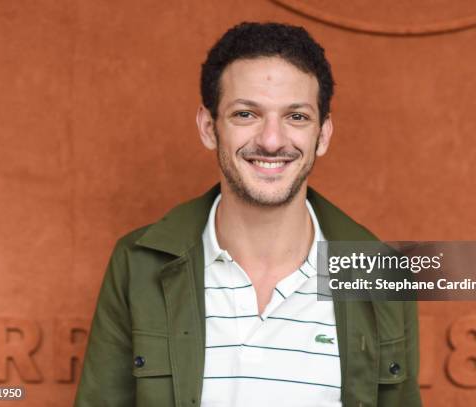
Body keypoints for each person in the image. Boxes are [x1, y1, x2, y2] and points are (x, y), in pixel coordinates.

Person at [74, 22, 421, 407]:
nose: (272, 141)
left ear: (322, 135)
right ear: (209, 128)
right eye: (245, 114)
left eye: (297, 117)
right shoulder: (138, 263)